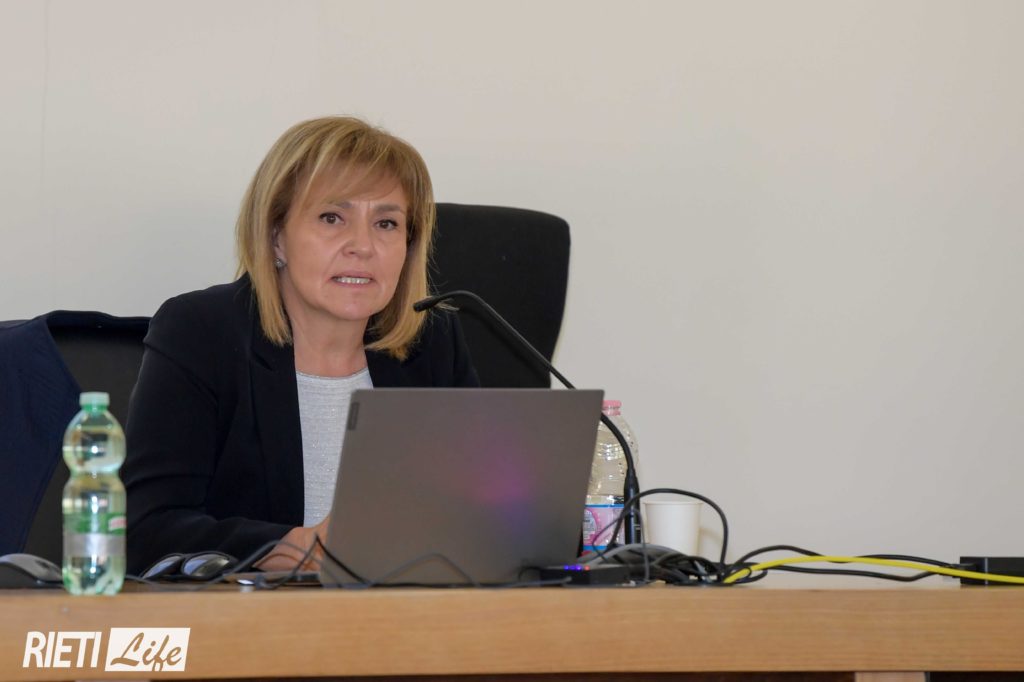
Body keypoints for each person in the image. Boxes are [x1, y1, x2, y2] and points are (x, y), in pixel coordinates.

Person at [122, 117, 479, 576]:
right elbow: (145, 529)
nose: (363, 246)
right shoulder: (202, 333)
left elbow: (485, 512)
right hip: (254, 616)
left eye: (386, 223)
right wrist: (293, 547)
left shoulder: (431, 342)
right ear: (277, 238)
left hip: (407, 610)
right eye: (332, 218)